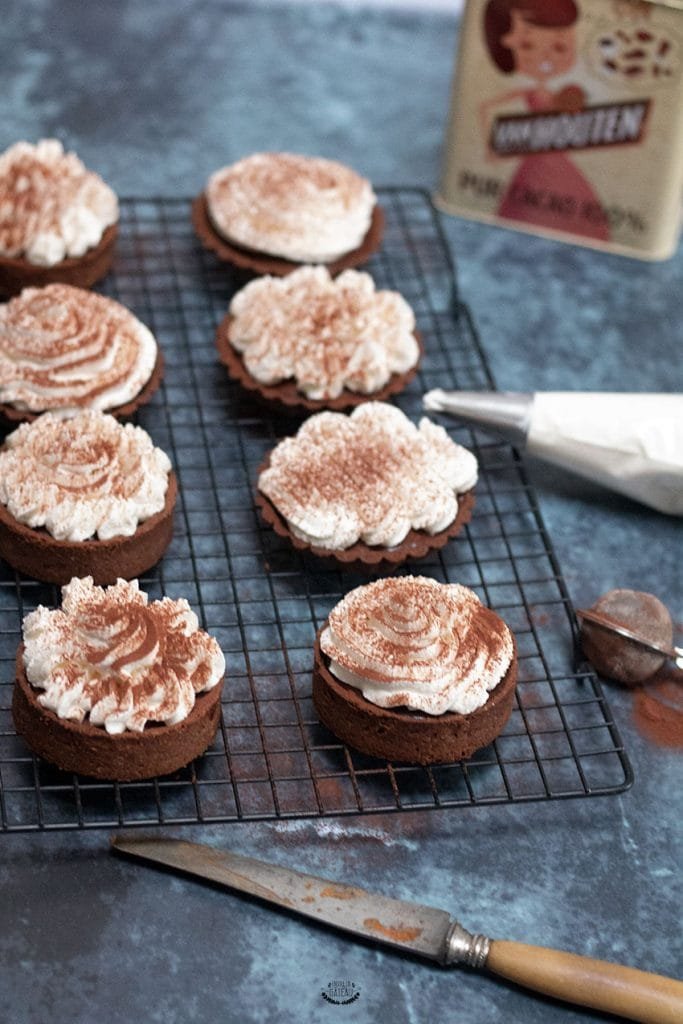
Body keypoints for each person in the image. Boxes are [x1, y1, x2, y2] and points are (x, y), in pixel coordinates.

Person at [481, 0, 610, 241]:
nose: (546, 57)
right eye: (528, 44)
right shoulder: (530, 93)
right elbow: (488, 107)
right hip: (535, 165)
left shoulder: (561, 92)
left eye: (560, 47)